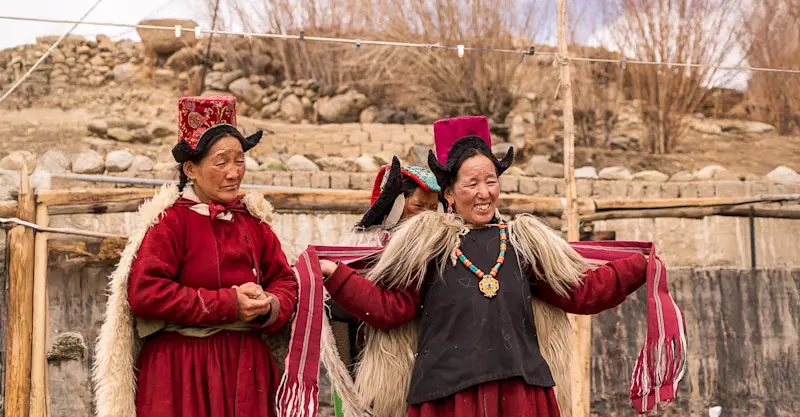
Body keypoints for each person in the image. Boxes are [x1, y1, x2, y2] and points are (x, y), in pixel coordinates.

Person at [318, 115, 651, 417]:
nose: (483, 193)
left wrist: (641, 266)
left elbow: (582, 292)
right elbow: (390, 309)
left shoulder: (523, 242)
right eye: (471, 183)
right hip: (447, 397)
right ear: (448, 192)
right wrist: (335, 274)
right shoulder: (427, 243)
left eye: (490, 181)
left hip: (520, 394)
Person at [93, 96, 299, 417]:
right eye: (221, 162)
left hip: (246, 371)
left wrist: (269, 305)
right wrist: (229, 304)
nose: (234, 173)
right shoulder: (170, 223)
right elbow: (145, 294)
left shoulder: (253, 222)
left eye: (239, 160)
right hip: (181, 372)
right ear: (191, 168)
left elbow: (285, 280)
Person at [324, 157, 441, 417]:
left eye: (434, 208)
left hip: (419, 358)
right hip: (368, 356)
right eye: (419, 206)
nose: (428, 217)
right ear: (397, 206)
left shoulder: (434, 252)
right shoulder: (363, 246)